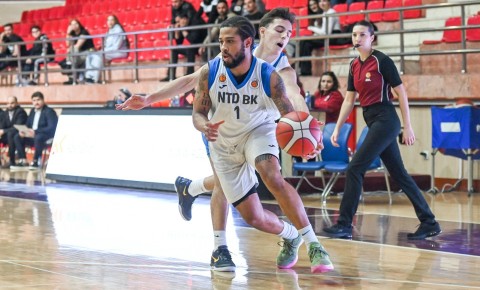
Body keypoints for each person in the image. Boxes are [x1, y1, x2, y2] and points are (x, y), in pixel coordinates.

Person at [117, 8, 316, 271]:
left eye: (290, 33)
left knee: (249, 190)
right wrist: (150, 98)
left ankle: (192, 188)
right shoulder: (234, 52)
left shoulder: (283, 71)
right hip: (219, 129)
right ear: (262, 33)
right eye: (280, 30)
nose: (285, 37)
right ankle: (219, 248)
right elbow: (190, 80)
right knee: (225, 185)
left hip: (255, 133)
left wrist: (307, 127)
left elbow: (295, 97)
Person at [192, 15, 333, 274]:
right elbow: (198, 113)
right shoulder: (209, 71)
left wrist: (308, 137)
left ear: (247, 42)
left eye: (230, 41)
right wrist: (202, 124)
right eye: (221, 41)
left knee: (271, 174)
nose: (223, 46)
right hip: (223, 141)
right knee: (253, 217)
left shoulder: (269, 75)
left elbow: (290, 112)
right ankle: (291, 235)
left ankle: (314, 244)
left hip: (258, 131)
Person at [322, 20, 442, 240]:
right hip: (372, 119)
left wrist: (408, 126)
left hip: (386, 120)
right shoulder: (353, 65)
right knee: (399, 174)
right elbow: (349, 99)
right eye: (354, 35)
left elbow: (401, 93)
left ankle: (344, 224)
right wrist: (337, 128)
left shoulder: (382, 61)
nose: (357, 39)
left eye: (362, 35)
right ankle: (429, 222)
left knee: (354, 168)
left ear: (372, 38)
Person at [10, 91, 58, 169]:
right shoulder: (32, 111)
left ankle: (35, 161)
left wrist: (35, 132)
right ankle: (23, 160)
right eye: (34, 100)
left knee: (38, 137)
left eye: (38, 100)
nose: (36, 102)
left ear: (43, 100)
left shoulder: (49, 111)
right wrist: (23, 131)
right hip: (31, 135)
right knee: (17, 137)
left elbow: (52, 127)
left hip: (45, 136)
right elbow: (28, 124)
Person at [299, 0, 341, 76]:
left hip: (333, 37)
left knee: (305, 40)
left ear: (329, 2)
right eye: (320, 2)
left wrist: (311, 28)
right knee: (304, 42)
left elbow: (326, 33)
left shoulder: (331, 12)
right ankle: (304, 71)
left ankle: (304, 71)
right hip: (327, 37)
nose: (322, 3)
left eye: (324, 1)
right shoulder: (325, 13)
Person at [162, 11, 207, 81]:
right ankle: (171, 75)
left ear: (185, 19)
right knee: (174, 50)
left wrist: (182, 30)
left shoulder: (194, 23)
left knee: (190, 49)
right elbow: (179, 43)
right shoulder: (184, 25)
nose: (179, 23)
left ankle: (190, 74)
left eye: (180, 21)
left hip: (203, 45)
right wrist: (177, 32)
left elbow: (193, 40)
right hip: (193, 46)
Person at [84, 15, 128, 84]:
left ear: (115, 21)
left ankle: (94, 78)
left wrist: (103, 50)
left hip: (119, 52)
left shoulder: (118, 30)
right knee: (90, 55)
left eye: (112, 20)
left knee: (98, 56)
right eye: (108, 20)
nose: (110, 22)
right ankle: (88, 76)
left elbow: (116, 47)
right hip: (110, 51)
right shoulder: (109, 31)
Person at [59, 19, 95, 85]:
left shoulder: (84, 32)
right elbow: (67, 44)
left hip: (88, 52)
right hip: (78, 54)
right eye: (72, 24)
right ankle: (72, 76)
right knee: (72, 56)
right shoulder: (72, 33)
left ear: (79, 24)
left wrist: (69, 50)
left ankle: (72, 77)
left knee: (72, 55)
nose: (74, 26)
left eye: (75, 24)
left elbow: (77, 46)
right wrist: (68, 33)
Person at [0, 96, 27, 167]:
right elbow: (2, 126)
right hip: (7, 135)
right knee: (9, 134)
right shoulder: (5, 113)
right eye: (8, 103)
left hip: (19, 134)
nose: (10, 105)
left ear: (17, 103)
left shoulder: (21, 112)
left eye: (12, 103)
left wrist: (4, 131)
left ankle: (12, 160)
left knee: (11, 135)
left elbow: (18, 126)